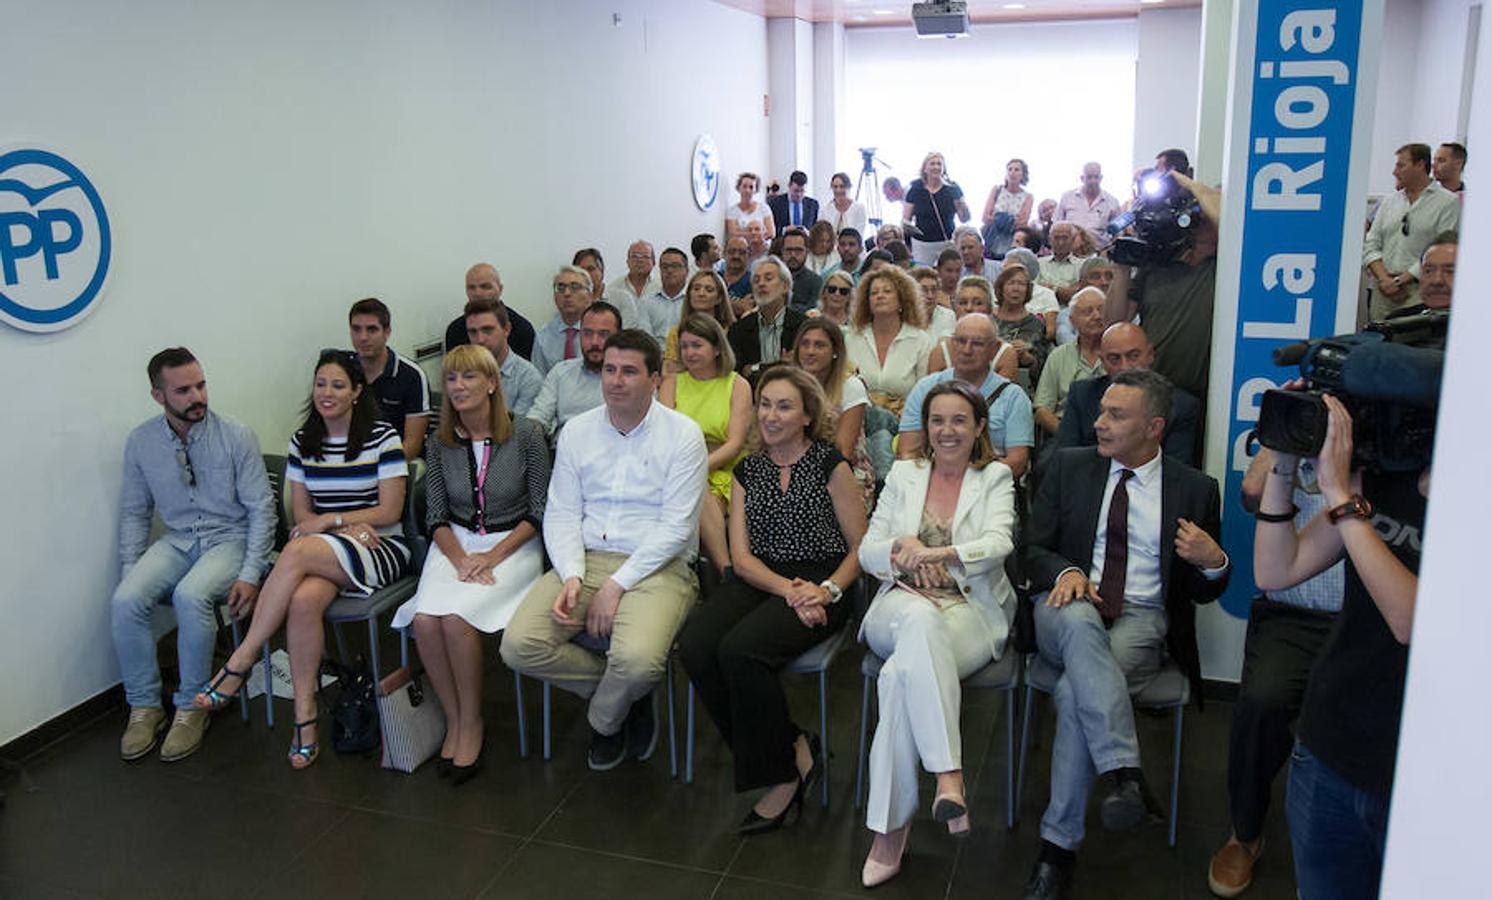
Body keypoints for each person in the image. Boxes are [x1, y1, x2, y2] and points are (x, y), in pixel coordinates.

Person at [1020, 369, 1228, 900]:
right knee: (1079, 616)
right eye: (1102, 411)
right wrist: (1065, 572)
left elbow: (1205, 593)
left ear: (1154, 427)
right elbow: (1031, 550)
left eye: (1116, 415)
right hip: (1064, 604)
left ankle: (1057, 849)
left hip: (1140, 617)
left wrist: (1215, 561)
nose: (1099, 423)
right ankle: (1125, 772)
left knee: (1072, 694)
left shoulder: (1194, 489)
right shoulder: (1066, 467)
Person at [500, 330, 708, 771]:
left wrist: (616, 586)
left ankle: (604, 721)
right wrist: (573, 575)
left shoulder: (683, 435)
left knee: (635, 662)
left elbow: (676, 529)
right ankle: (622, 698)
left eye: (629, 371)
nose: (616, 380)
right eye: (610, 370)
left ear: (655, 378)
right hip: (587, 558)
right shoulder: (578, 430)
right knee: (518, 646)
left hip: (659, 567)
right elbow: (560, 513)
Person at [195, 350, 411, 769]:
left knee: (295, 550)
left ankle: (242, 658)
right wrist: (337, 528)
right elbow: (300, 516)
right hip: (330, 549)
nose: (326, 393)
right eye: (320, 384)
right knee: (302, 600)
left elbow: (389, 512)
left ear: (356, 392)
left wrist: (334, 521)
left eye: (337, 385)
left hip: (380, 548)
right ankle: (304, 719)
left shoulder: (382, 436)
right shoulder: (302, 442)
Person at [1251, 394, 1427, 900]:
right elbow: (1276, 569)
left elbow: (1411, 621)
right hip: (1330, 744)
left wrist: (1340, 497)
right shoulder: (1382, 481)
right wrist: (1283, 463)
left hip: (1414, 766)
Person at [679, 366, 866, 834]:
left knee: (741, 651)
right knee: (697, 644)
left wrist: (824, 591)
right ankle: (793, 744)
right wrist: (788, 590)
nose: (770, 415)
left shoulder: (830, 465)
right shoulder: (748, 469)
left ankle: (780, 778)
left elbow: (862, 546)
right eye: (765, 404)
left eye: (784, 406)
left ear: (807, 415)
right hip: (764, 577)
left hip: (826, 580)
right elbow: (740, 557)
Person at [857, 381, 1018, 887]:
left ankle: (889, 832)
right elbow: (867, 550)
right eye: (937, 421)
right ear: (925, 428)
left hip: (969, 607)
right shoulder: (904, 473)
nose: (946, 431)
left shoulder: (994, 476)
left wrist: (942, 555)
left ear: (978, 428)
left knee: (901, 677)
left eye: (958, 421)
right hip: (900, 604)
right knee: (918, 623)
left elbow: (999, 543)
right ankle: (948, 774)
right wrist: (901, 551)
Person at [390, 345, 549, 783]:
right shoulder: (441, 441)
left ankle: (472, 722)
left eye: (469, 378)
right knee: (425, 621)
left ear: (492, 383)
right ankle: (454, 717)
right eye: (452, 379)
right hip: (455, 542)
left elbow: (538, 511)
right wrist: (461, 560)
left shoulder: (528, 434)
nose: (458, 387)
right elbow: (435, 515)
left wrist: (490, 557)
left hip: (514, 543)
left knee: (457, 620)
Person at [113, 348, 275, 763]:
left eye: (200, 385)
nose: (196, 396)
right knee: (125, 600)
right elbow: (135, 513)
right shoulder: (142, 442)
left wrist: (252, 573)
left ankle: (191, 706)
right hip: (179, 538)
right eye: (183, 390)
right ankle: (145, 706)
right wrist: (132, 571)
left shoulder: (235, 435)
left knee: (190, 596)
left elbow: (262, 509)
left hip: (229, 539)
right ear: (158, 395)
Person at [1205, 445, 1344, 897]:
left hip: (1367, 617)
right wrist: (1281, 435)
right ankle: (1245, 833)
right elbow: (1250, 492)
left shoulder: (1392, 437)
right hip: (1293, 613)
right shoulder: (1296, 440)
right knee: (1262, 703)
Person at [1105, 167, 1223, 403]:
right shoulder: (1157, 266)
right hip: (1151, 390)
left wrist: (1187, 183)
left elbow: (1230, 224)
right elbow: (1114, 322)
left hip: (1199, 395)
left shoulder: (1225, 269)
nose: (1202, 218)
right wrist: (1122, 268)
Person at [659, 314, 752, 576]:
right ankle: (726, 571)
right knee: (693, 488)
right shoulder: (672, 382)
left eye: (697, 345)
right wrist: (686, 468)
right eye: (685, 346)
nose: (689, 352)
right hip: (676, 466)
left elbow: (734, 444)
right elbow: (663, 437)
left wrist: (695, 468)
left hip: (724, 467)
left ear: (717, 348)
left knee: (697, 490)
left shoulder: (738, 384)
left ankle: (723, 570)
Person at [897, 314, 1035, 479]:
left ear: (994, 349)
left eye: (977, 343)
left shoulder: (1013, 397)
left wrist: (967, 482)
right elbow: (907, 452)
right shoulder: (925, 388)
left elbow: (1017, 462)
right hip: (932, 484)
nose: (966, 350)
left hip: (988, 487)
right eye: (960, 341)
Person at [1055, 322, 1202, 465]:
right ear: (1102, 361)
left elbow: (1177, 471)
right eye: (1114, 359)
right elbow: (1066, 459)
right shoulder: (1082, 395)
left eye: (1133, 356)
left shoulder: (1181, 406)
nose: (1125, 367)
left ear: (1150, 355)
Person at [1361, 143, 1461, 320]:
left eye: (1401, 165)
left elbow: (1442, 249)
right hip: (1382, 292)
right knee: (1377, 343)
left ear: (1420, 165)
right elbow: (1371, 243)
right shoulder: (1389, 202)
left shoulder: (1447, 203)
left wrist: (1401, 280)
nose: (1395, 172)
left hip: (1416, 294)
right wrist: (1385, 280)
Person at [791, 318, 876, 507]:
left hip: (842, 470)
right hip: (790, 465)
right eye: (805, 344)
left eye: (819, 345)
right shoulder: (788, 385)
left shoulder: (851, 387)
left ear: (835, 352)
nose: (810, 351)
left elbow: (843, 452)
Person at [843, 265, 934, 417]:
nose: (880, 296)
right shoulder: (852, 338)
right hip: (859, 419)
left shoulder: (920, 340)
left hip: (904, 421)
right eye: (874, 293)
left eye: (887, 291)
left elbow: (924, 393)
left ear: (902, 300)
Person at [349, 298, 429, 462]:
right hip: (353, 459)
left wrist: (376, 473)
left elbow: (412, 444)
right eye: (356, 329)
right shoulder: (342, 371)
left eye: (372, 330)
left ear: (387, 332)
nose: (363, 337)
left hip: (398, 462)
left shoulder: (411, 375)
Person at [529, 302, 620, 438]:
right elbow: (539, 416)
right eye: (587, 333)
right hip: (564, 450)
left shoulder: (629, 378)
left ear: (618, 336)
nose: (594, 342)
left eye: (603, 334)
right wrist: (529, 434)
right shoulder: (561, 372)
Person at [1034, 288, 1106, 438]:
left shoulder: (1119, 353)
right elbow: (1042, 409)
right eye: (1088, 311)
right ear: (1072, 321)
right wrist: (1067, 437)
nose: (1097, 316)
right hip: (1066, 432)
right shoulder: (1058, 356)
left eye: (1101, 310)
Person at [727, 256, 807, 381]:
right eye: (756, 280)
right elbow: (737, 374)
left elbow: (804, 370)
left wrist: (754, 368)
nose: (761, 284)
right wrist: (781, 365)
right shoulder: (739, 330)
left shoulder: (803, 326)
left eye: (768, 278)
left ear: (785, 287)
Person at [926, 275, 1018, 381]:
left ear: (989, 309)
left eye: (977, 303)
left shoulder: (1005, 354)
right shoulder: (940, 352)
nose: (969, 308)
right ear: (955, 308)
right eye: (963, 303)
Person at [463, 297, 543, 417]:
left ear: (506, 329)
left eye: (487, 330)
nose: (479, 340)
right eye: (473, 332)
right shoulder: (461, 373)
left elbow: (518, 430)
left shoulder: (528, 378)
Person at [443, 263, 537, 361]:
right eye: (471, 288)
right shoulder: (454, 331)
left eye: (485, 287)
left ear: (500, 289)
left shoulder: (522, 329)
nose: (478, 293)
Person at [663, 268, 738, 375]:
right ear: (689, 295)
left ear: (719, 298)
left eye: (709, 290)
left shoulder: (733, 330)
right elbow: (669, 372)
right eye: (696, 288)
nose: (701, 293)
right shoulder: (676, 332)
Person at [902, 152, 971, 265]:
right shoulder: (915, 189)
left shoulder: (952, 188)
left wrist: (962, 204)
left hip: (945, 241)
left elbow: (964, 218)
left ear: (944, 168)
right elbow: (906, 219)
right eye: (932, 164)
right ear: (925, 168)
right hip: (922, 244)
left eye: (939, 164)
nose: (936, 167)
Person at [992, 264, 1051, 393]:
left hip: (1022, 386)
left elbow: (1045, 369)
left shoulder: (1037, 324)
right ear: (1001, 288)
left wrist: (1027, 358)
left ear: (1028, 290)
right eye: (1011, 283)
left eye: (1021, 284)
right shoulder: (987, 320)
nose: (1016, 288)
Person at [532, 265, 596, 375]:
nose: (567, 293)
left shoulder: (600, 334)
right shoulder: (543, 336)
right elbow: (539, 379)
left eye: (575, 287)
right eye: (561, 288)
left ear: (590, 296)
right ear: (554, 296)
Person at [1056, 162, 1122, 251]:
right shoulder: (1067, 197)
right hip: (1070, 252)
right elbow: (1056, 225)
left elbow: (1118, 233)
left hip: (1099, 253)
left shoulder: (1112, 202)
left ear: (1101, 178)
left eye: (1096, 177)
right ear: (1082, 178)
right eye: (1089, 177)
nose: (1093, 181)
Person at [1003, 247, 1061, 341]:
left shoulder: (1046, 294)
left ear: (1026, 270)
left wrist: (1029, 344)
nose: (1004, 272)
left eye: (1009, 269)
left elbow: (1050, 332)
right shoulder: (997, 292)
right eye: (1004, 267)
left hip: (1036, 344)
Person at [981, 158, 1035, 257]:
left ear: (1023, 174)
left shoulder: (1028, 196)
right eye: (1010, 169)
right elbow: (985, 217)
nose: (1012, 172)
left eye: (1017, 170)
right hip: (992, 240)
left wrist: (999, 218)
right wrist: (1009, 220)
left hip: (1012, 242)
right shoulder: (997, 190)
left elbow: (1022, 223)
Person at [574, 247, 640, 328]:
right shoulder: (571, 302)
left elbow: (627, 335)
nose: (586, 274)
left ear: (601, 270)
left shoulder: (622, 298)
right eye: (581, 270)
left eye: (590, 269)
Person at [640, 247, 691, 344]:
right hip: (653, 355)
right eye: (664, 266)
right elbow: (644, 337)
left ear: (687, 270)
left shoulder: (693, 301)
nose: (669, 270)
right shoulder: (646, 302)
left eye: (675, 266)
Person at [1038, 222, 1087, 305]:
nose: (1061, 242)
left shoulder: (1082, 265)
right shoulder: (1039, 263)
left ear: (1072, 240)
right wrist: (1065, 291)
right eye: (1056, 238)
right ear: (1050, 240)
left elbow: (1078, 296)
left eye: (1065, 238)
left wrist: (1052, 288)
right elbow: (1034, 292)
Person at [778, 226, 824, 314]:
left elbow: (812, 311)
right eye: (789, 250)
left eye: (798, 250)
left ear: (807, 252)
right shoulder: (773, 279)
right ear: (782, 252)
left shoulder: (815, 281)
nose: (793, 255)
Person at [606, 240, 662, 307]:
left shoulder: (662, 286)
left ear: (654, 262)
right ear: (627, 262)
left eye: (645, 257)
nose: (640, 260)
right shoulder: (614, 287)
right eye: (635, 256)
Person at [726, 172, 775, 247]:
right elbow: (732, 235)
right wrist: (759, 234)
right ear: (739, 188)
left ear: (756, 190)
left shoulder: (764, 208)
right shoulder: (731, 211)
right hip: (742, 250)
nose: (747, 190)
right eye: (744, 186)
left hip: (763, 250)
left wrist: (742, 233)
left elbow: (771, 233)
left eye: (751, 187)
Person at [766, 170, 819, 235]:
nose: (799, 195)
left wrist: (808, 232)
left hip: (806, 242)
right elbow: (769, 228)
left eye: (802, 191)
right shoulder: (775, 203)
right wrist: (784, 230)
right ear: (789, 186)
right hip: (782, 242)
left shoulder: (813, 205)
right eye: (796, 191)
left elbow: (816, 229)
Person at [912, 265, 957, 341]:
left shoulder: (948, 316)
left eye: (934, 290)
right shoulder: (902, 319)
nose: (930, 296)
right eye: (924, 290)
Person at [824, 171, 869, 237]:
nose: (838, 190)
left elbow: (859, 234)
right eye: (835, 187)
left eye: (842, 186)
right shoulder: (826, 209)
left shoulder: (859, 208)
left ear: (848, 187)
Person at [721, 235, 754, 302]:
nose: (736, 256)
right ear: (724, 253)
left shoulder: (753, 281)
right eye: (732, 252)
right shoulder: (715, 277)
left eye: (742, 252)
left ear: (749, 255)